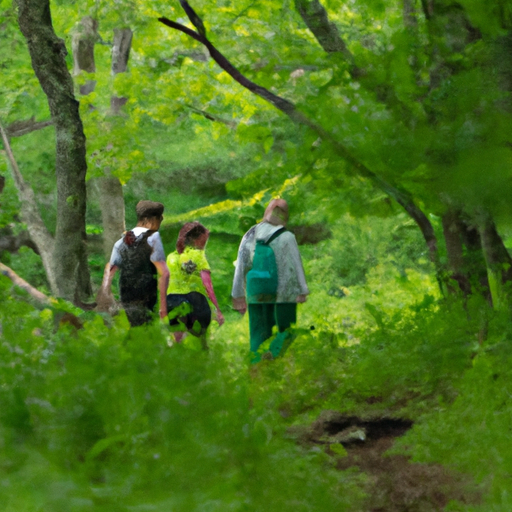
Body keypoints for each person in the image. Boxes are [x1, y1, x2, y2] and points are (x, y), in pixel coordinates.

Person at [232, 198, 309, 360]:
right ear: (285, 216)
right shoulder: (287, 236)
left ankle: (257, 367)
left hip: (256, 291)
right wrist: (302, 290)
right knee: (285, 333)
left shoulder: (251, 234)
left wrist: (238, 294)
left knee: (258, 336)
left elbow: (242, 264)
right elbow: (296, 264)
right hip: (284, 296)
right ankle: (276, 364)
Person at [100, 200, 169, 327]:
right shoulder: (153, 238)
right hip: (146, 292)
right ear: (151, 219)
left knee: (136, 325)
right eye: (160, 218)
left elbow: (110, 269)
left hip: (126, 292)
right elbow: (164, 273)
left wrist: (106, 293)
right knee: (147, 327)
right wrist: (163, 307)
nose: (161, 221)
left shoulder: (121, 241)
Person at [166, 221, 224, 348]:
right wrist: (218, 310)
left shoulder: (171, 257)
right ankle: (204, 347)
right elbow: (207, 285)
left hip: (170, 301)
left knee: (178, 338)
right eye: (204, 240)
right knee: (202, 330)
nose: (205, 244)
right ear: (195, 240)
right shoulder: (198, 255)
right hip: (193, 300)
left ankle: (177, 349)